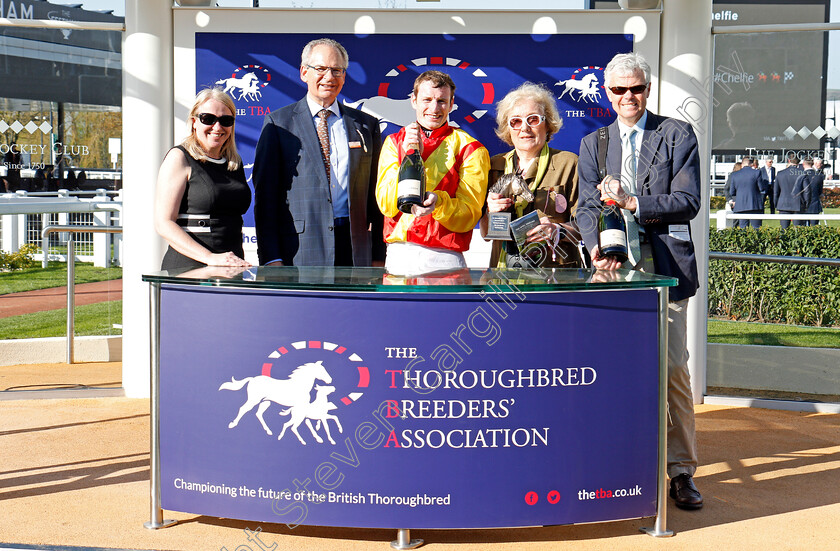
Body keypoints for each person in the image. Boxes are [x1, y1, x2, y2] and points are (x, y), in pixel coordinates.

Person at [576, 52, 703, 510]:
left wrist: (632, 202)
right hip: (611, 272)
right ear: (606, 93)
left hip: (666, 270)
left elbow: (688, 201)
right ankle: (617, 463)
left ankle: (681, 470)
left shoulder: (675, 134)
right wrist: (594, 246)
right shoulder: (594, 142)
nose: (628, 97)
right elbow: (586, 207)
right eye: (619, 90)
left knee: (671, 370)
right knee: (612, 370)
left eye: (637, 88)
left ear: (648, 89)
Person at [253, 38, 384, 267]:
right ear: (304, 72)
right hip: (300, 251)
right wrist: (271, 257)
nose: (329, 77)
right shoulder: (278, 124)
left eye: (337, 70)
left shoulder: (366, 125)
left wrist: (378, 256)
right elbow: (266, 198)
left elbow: (377, 196)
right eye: (321, 69)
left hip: (356, 252)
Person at [376, 70, 490, 275]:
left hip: (444, 257)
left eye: (441, 101)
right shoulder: (394, 142)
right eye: (427, 99)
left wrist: (439, 203)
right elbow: (385, 204)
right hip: (398, 254)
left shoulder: (471, 148)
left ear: (452, 103)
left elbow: (469, 216)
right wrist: (409, 155)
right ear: (413, 100)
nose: (434, 108)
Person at [479, 82, 580, 269]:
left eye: (533, 119)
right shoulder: (494, 166)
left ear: (547, 124)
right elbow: (486, 235)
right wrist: (489, 212)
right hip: (504, 275)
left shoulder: (568, 163)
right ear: (508, 129)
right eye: (515, 121)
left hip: (555, 275)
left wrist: (557, 231)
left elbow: (586, 227)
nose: (524, 128)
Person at [154, 87, 252, 270]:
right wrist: (210, 257)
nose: (217, 127)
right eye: (208, 119)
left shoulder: (234, 163)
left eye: (226, 120)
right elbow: (164, 223)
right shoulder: (179, 157)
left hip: (231, 266)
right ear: (194, 122)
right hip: (189, 268)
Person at [725, 156, 766, 228]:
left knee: (743, 230)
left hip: (740, 206)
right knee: (756, 229)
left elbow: (732, 192)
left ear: (742, 164)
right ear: (751, 164)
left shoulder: (734, 175)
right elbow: (761, 188)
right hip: (754, 205)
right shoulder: (757, 172)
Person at [774, 154, 805, 229]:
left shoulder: (780, 173)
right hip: (798, 204)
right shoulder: (802, 173)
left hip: (783, 204)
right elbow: (806, 191)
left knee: (784, 229)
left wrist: (776, 204)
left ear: (788, 160)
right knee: (798, 230)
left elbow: (776, 192)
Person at [796, 157, 824, 226]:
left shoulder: (799, 175)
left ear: (803, 164)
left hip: (801, 205)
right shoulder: (819, 175)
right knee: (814, 227)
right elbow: (820, 192)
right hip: (814, 204)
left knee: (802, 227)